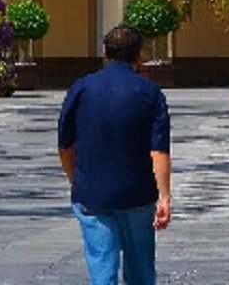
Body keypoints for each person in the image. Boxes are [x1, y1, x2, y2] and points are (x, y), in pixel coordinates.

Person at [57, 24, 172, 285]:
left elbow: (65, 145)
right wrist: (165, 196)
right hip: (138, 193)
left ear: (105, 52)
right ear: (138, 55)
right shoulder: (150, 93)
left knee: (102, 271)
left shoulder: (81, 88)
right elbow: (159, 150)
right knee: (141, 271)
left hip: (92, 193)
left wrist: (75, 179)